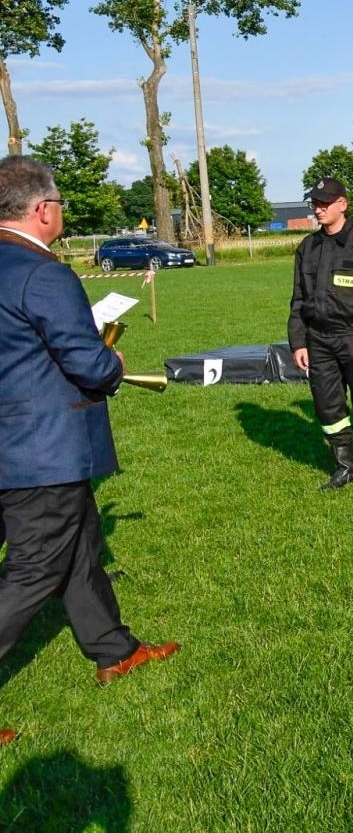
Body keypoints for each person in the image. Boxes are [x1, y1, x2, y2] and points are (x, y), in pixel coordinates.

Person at [0, 156, 179, 740]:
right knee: (33, 569)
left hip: (14, 439)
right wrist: (113, 363)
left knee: (79, 545)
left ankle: (113, 649)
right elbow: (87, 363)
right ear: (44, 210)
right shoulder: (43, 273)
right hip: (41, 447)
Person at [288, 176, 353, 493]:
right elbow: (298, 299)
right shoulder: (308, 247)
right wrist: (298, 341)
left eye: (324, 203)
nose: (318, 209)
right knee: (328, 406)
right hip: (318, 340)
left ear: (342, 204)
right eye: (315, 204)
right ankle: (345, 466)